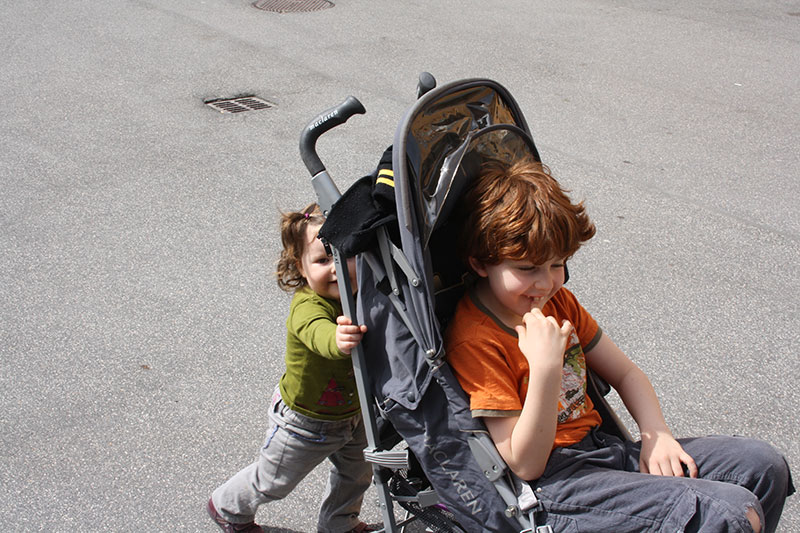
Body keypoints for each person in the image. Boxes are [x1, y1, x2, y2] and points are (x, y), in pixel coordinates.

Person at [445, 159, 794, 532]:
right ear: (481, 264)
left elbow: (626, 374)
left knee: (763, 465)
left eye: (557, 265)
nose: (545, 284)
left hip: (603, 450)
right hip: (557, 485)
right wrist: (545, 368)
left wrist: (656, 435)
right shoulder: (475, 340)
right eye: (527, 268)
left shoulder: (558, 304)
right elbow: (525, 464)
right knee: (731, 512)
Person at [208, 203, 376, 533]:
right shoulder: (307, 305)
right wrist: (336, 339)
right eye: (323, 260)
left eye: (346, 255)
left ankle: (338, 523)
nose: (336, 268)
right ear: (300, 266)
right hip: (305, 420)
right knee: (274, 480)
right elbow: (316, 332)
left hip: (353, 413)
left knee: (357, 474)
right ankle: (227, 507)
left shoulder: (361, 294)